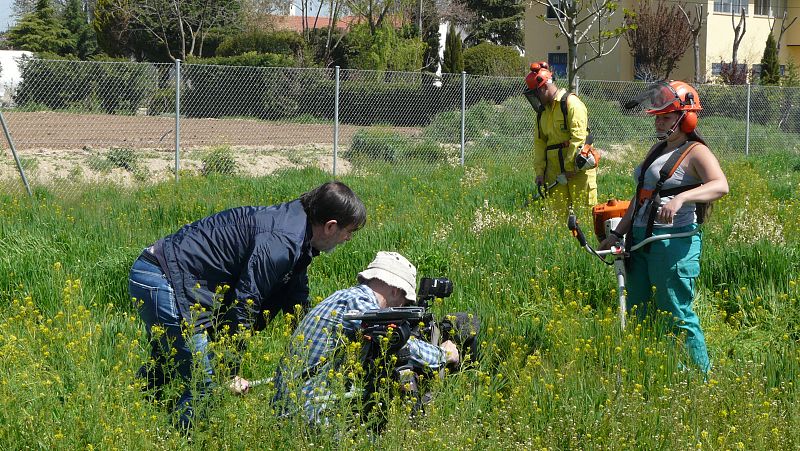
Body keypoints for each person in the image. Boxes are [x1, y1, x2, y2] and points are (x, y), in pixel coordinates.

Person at [128, 181, 366, 429]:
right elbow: (246, 301)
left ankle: (136, 420)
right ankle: (179, 440)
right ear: (330, 226)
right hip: (163, 278)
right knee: (205, 382)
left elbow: (296, 296)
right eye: (349, 231)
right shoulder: (283, 240)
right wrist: (229, 371)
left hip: (159, 272)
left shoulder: (296, 232)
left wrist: (315, 348)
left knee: (167, 366)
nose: (348, 238)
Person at [599, 81, 729, 373]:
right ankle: (658, 369)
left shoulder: (696, 151)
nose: (659, 122)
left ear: (687, 118)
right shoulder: (658, 149)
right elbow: (640, 196)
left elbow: (721, 185)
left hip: (673, 245)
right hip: (640, 242)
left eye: (666, 117)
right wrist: (618, 234)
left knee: (677, 313)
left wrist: (682, 198)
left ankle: (700, 377)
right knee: (640, 312)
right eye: (658, 116)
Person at [272, 251, 468, 424]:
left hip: (291, 404)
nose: (401, 306)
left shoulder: (345, 297)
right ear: (394, 290)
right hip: (307, 413)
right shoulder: (359, 304)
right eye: (404, 300)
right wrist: (442, 354)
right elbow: (395, 339)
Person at [525, 65, 598, 215]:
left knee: (585, 215)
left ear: (544, 87)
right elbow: (540, 143)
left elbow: (579, 137)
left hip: (578, 170)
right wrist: (540, 172)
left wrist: (570, 167)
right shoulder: (542, 114)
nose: (536, 99)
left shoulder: (571, 103)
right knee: (558, 216)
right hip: (555, 173)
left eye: (536, 94)